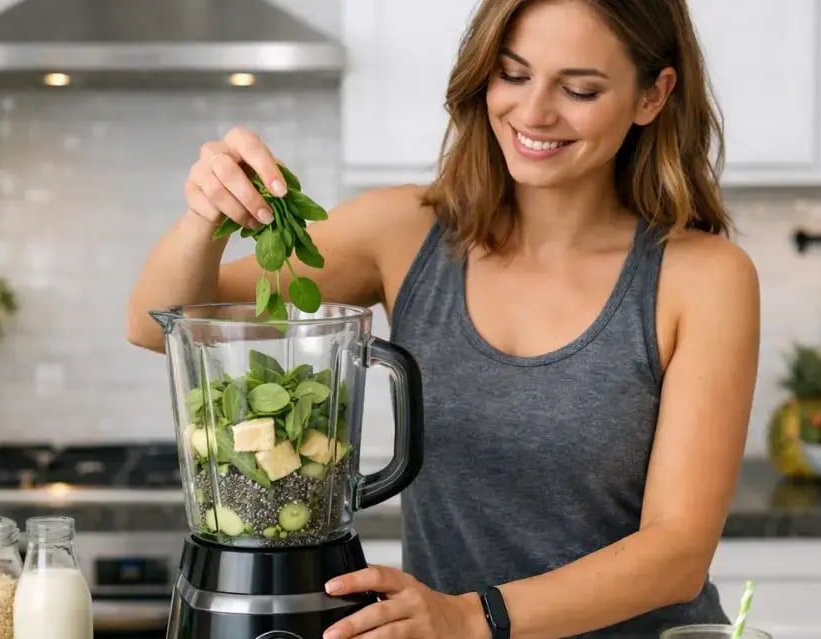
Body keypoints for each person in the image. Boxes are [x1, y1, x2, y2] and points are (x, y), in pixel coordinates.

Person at [126, 0, 760, 636]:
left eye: (579, 89)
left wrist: (470, 617)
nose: (535, 112)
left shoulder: (704, 278)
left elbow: (677, 553)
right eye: (513, 75)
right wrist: (207, 215)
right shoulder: (406, 232)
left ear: (653, 95)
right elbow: (159, 325)